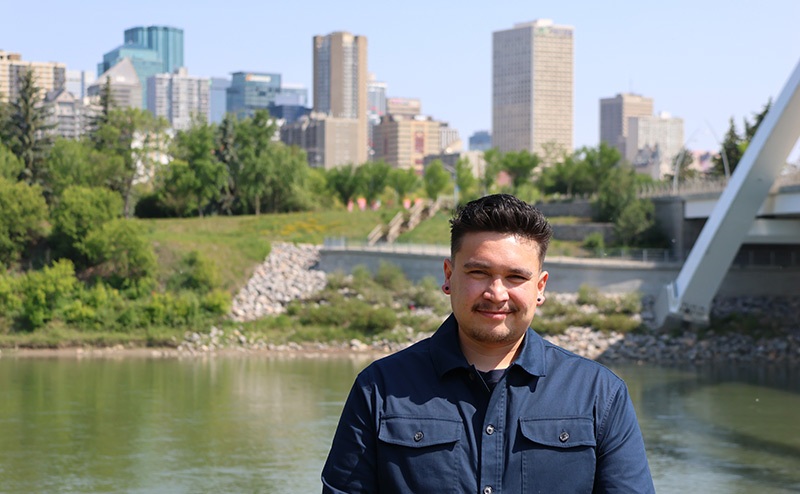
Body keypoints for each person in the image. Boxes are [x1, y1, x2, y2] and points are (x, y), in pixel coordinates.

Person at [321, 194, 655, 493]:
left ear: (540, 287)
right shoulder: (379, 389)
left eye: (515, 277)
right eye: (479, 273)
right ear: (449, 276)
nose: (496, 293)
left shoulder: (599, 395)